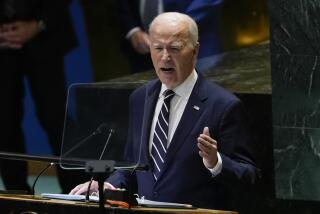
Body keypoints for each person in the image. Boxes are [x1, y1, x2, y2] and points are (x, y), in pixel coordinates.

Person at [70, 12, 258, 210]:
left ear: (195, 51)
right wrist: (106, 186)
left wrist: (215, 162)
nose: (165, 57)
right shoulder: (140, 98)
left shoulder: (223, 105)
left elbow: (249, 176)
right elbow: (132, 166)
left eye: (174, 49)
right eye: (158, 48)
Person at [0, 0, 78, 193]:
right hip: (2, 42)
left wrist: (39, 23)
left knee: (55, 117)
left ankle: (76, 193)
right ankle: (16, 197)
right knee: (3, 120)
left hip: (46, 35)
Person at [118, 0, 224, 73]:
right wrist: (133, 30)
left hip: (194, 50)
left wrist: (176, 26)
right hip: (143, 54)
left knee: (199, 101)